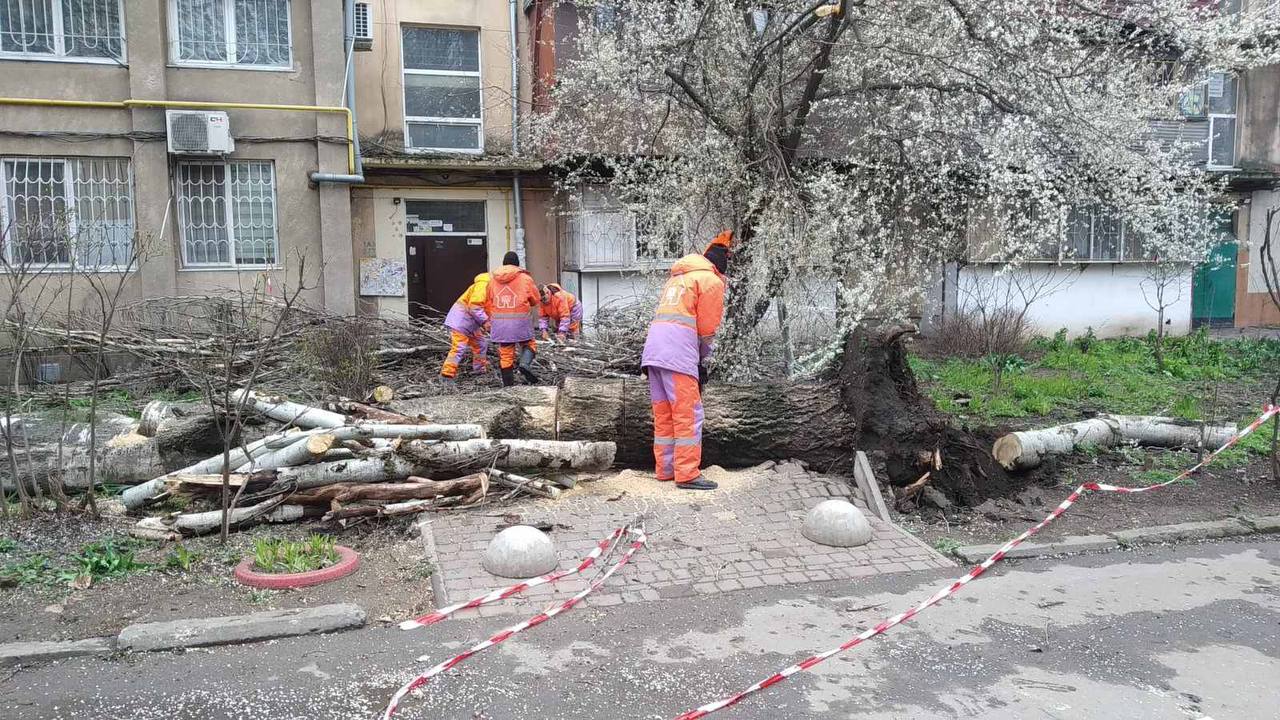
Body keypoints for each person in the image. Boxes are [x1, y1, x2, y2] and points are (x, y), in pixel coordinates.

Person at [639, 230, 730, 491]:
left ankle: (665, 469)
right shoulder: (710, 281)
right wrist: (702, 360)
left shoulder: (678, 279)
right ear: (720, 264)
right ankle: (688, 473)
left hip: (654, 353)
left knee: (664, 414)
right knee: (688, 415)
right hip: (678, 354)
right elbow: (707, 329)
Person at [486, 251, 542, 386]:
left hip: (500, 323)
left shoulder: (492, 279)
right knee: (529, 344)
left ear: (503, 264)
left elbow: (488, 301)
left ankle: (508, 386)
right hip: (520, 321)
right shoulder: (525, 278)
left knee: (505, 354)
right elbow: (535, 300)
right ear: (517, 264)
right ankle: (524, 364)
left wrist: (490, 320)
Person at [440, 272, 490, 380]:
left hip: (470, 323)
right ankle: (446, 374)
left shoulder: (489, 286)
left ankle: (479, 370)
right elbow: (475, 307)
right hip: (461, 322)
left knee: (481, 344)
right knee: (458, 348)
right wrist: (486, 321)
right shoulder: (484, 285)